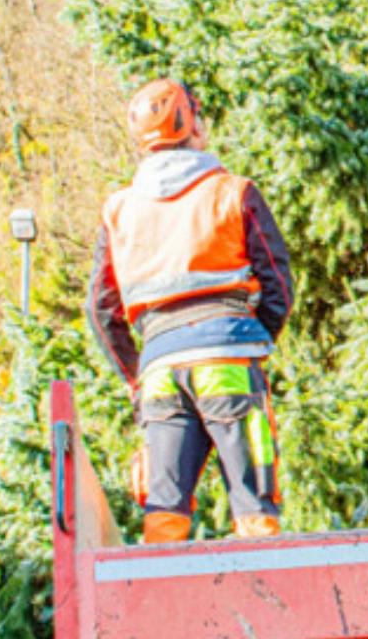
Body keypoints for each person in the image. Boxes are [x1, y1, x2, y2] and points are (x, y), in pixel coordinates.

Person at [86, 77, 294, 545]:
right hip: (228, 362)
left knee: (165, 512)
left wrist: (135, 374)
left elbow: (101, 309)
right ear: (194, 125)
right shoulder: (233, 193)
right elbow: (279, 283)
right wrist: (249, 339)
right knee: (254, 509)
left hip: (160, 370)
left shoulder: (119, 209)